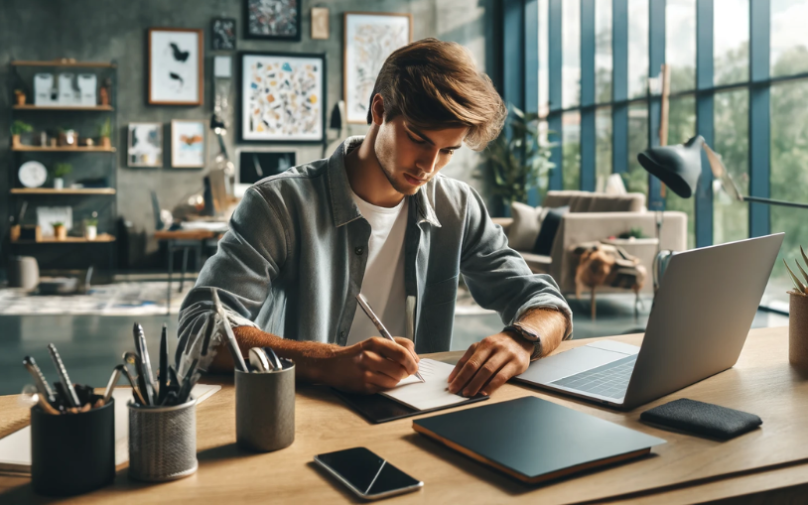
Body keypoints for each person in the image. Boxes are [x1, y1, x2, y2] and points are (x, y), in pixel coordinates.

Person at [177, 38, 572, 397]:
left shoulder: (458, 207)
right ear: (379, 110)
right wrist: (327, 362)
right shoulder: (278, 204)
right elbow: (199, 330)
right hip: (300, 414)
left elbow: (546, 303)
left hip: (416, 414)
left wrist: (521, 338)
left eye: (448, 150)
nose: (429, 166)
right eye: (419, 139)